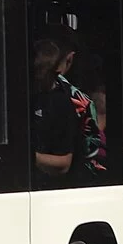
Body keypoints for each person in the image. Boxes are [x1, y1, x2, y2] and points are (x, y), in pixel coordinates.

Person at [30, 36, 107, 179]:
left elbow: (64, 163)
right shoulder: (21, 95)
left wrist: (25, 157)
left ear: (55, 72)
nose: (36, 80)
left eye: (41, 74)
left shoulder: (66, 103)